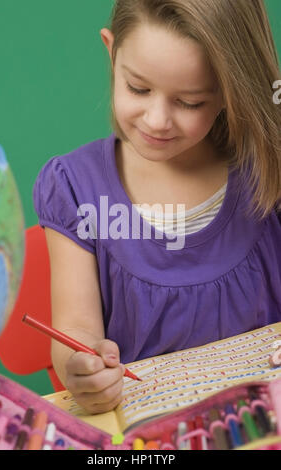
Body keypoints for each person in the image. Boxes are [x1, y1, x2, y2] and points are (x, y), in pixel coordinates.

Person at [33, 0, 281, 414]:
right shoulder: (75, 187)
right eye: (139, 88)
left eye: (189, 102)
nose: (158, 119)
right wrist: (81, 366)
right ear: (112, 54)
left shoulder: (269, 166)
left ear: (229, 91)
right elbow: (75, 329)